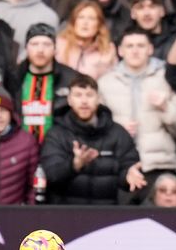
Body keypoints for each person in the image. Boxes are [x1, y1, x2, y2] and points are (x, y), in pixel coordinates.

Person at [98, 27, 176, 181]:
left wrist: (167, 107)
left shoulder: (166, 78)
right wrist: (117, 130)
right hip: (118, 166)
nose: (135, 51)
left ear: (150, 49)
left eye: (141, 46)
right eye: (129, 46)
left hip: (159, 165)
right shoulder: (105, 82)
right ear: (120, 51)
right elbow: (94, 127)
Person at [39, 73, 146, 205]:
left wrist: (128, 176)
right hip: (66, 215)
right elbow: (52, 174)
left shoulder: (117, 133)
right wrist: (75, 165)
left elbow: (129, 166)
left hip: (106, 215)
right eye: (78, 95)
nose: (84, 101)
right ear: (69, 100)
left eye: (89, 95)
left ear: (98, 99)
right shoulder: (56, 134)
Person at [15, 23, 81, 143]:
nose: (40, 50)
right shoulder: (13, 78)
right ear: (26, 48)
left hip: (58, 149)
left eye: (46, 44)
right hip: (20, 150)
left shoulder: (72, 79)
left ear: (55, 49)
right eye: (34, 44)